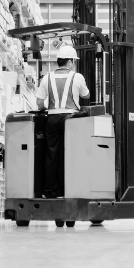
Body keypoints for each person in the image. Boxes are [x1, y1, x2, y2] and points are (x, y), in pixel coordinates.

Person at [33, 44, 90, 198]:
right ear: (70, 62)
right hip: (71, 121)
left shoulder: (47, 78)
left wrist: (49, 106)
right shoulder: (77, 77)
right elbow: (86, 95)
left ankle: (48, 192)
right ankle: (65, 191)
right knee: (69, 155)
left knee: (51, 155)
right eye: (74, 62)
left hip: (51, 119)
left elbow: (38, 104)